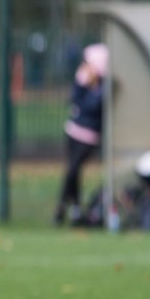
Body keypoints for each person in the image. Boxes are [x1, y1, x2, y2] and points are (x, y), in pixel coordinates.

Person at [54, 43, 107, 226]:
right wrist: (84, 83)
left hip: (89, 136)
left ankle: (61, 208)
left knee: (72, 170)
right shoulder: (83, 80)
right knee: (72, 172)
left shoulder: (103, 88)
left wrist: (93, 88)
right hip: (74, 131)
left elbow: (91, 108)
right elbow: (75, 101)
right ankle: (74, 209)